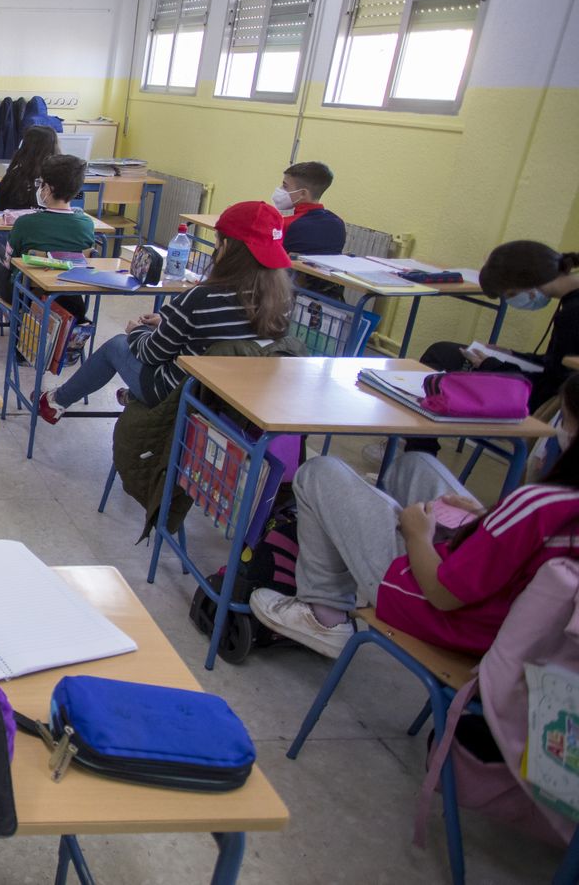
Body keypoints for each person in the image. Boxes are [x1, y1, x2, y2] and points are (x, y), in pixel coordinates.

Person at [252, 374, 579, 658]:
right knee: (415, 464)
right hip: (491, 609)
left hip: (437, 607)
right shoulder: (552, 507)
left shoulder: (539, 505)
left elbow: (443, 594)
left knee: (319, 473)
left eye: (563, 420)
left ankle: (325, 616)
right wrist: (486, 520)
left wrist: (417, 536)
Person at [37, 200, 293, 424]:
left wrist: (137, 330)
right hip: (232, 395)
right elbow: (216, 336)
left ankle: (56, 401)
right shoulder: (282, 299)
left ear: (225, 246)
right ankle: (130, 396)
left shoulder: (202, 297)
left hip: (178, 392)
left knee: (117, 345)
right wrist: (169, 322)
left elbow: (150, 353)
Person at [405, 241, 579, 455]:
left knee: (440, 359)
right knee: (443, 353)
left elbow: (553, 382)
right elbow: (559, 362)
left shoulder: (572, 314)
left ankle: (420, 453)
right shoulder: (571, 302)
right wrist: (513, 355)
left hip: (547, 400)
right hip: (555, 389)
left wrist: (492, 365)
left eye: (510, 294)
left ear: (528, 286)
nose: (510, 300)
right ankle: (419, 452)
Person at [0, 155, 93, 315]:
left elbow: (10, 264)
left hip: (23, 296)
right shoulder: (87, 224)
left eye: (41, 183)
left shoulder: (25, 223)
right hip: (68, 297)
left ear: (48, 189)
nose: (39, 188)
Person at [274, 161, 344, 256]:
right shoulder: (338, 223)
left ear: (303, 193)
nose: (280, 189)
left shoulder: (285, 225)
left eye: (285, 186)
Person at [0, 125, 61, 212]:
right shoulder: (59, 177)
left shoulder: (15, 175)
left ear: (25, 147)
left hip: (13, 219)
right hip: (47, 219)